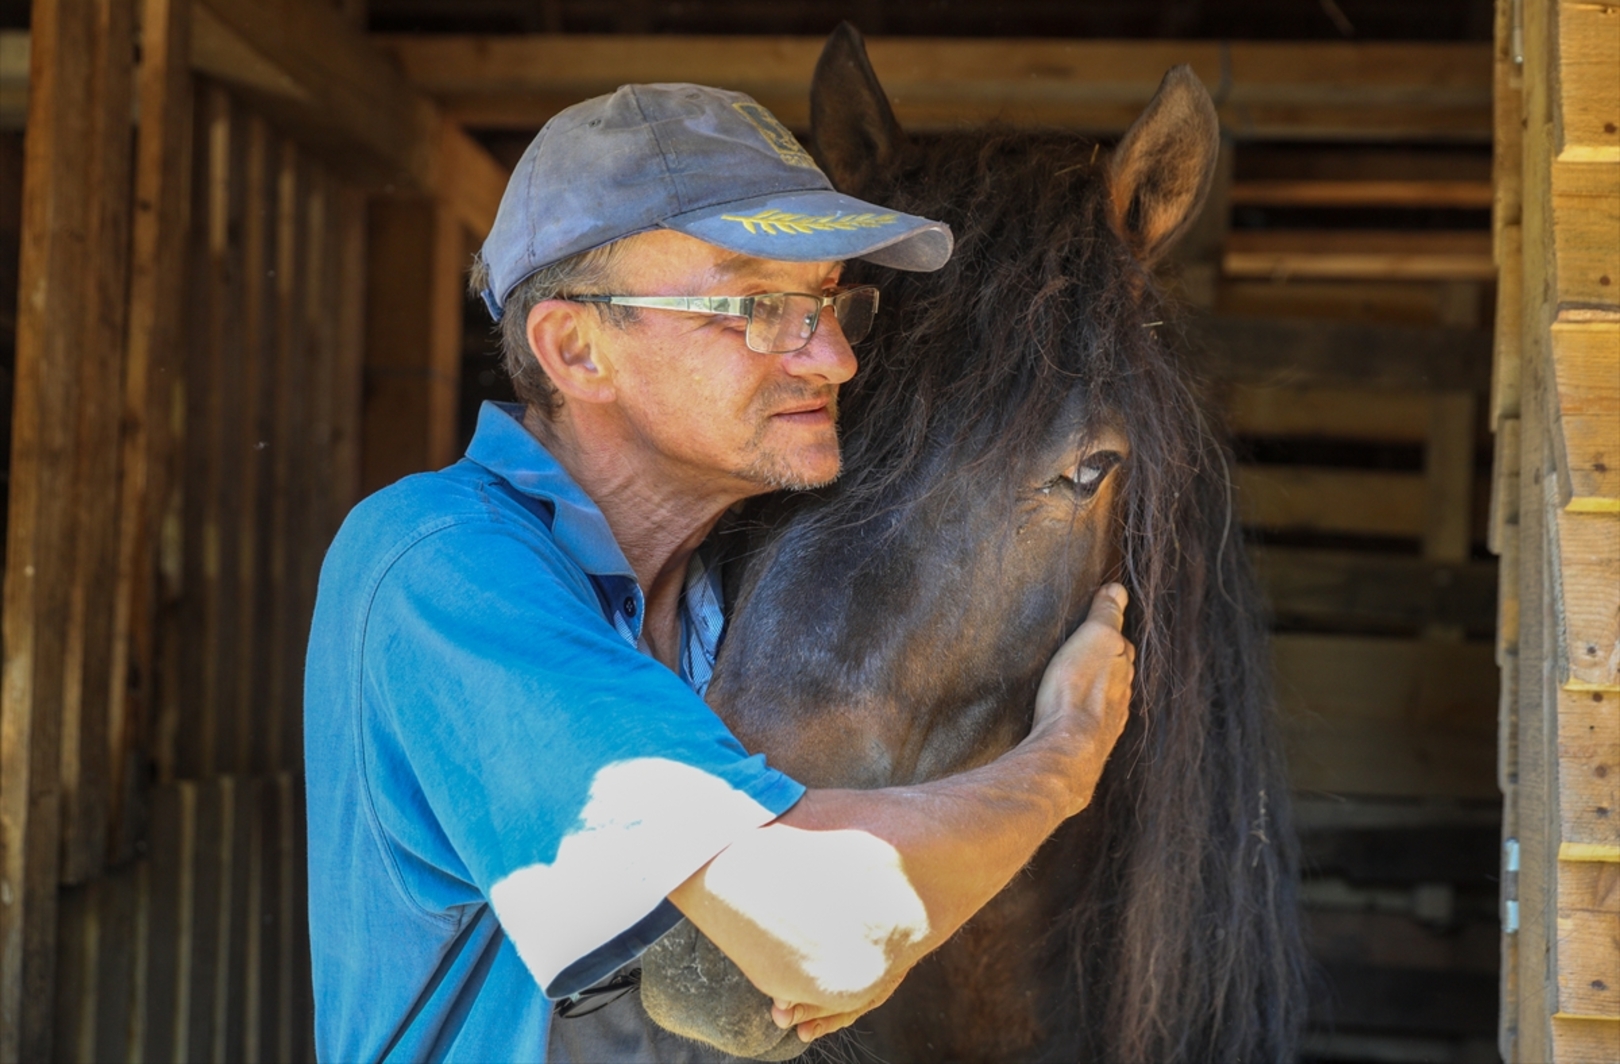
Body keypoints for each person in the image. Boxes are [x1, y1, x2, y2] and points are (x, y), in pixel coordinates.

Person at [304, 83, 1134, 1063]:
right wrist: (1070, 754)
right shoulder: (437, 569)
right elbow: (825, 932)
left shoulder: (724, 601)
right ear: (575, 348)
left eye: (829, 301)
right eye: (756, 305)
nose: (834, 359)